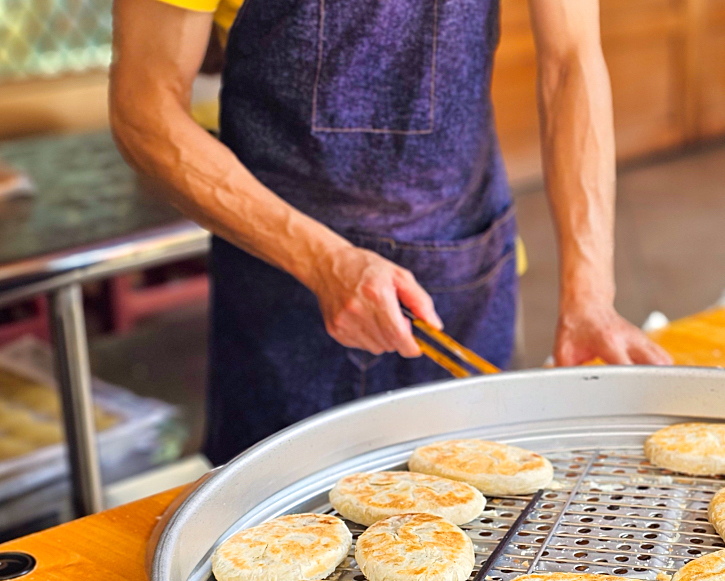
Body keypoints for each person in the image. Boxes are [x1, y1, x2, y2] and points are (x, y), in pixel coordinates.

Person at [109, 0, 672, 465]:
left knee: (475, 529)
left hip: (461, 265)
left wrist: (590, 295)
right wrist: (323, 261)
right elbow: (144, 111)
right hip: (285, 282)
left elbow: (571, 61)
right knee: (282, 557)